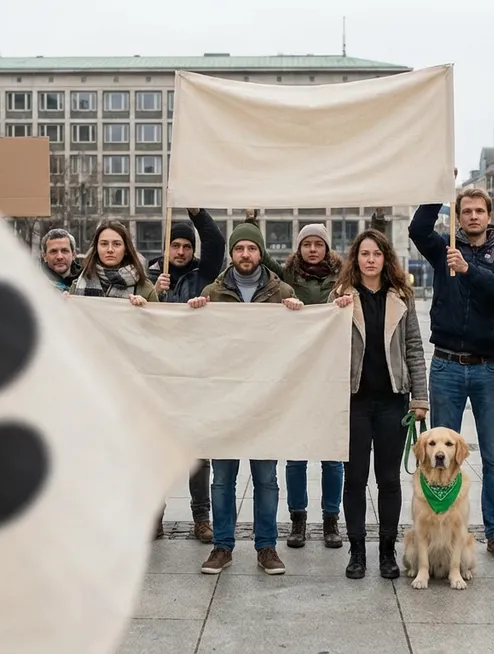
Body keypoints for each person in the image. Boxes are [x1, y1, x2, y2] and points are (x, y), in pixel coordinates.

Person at [408, 185, 494, 562]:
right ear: (458, 217)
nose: (472, 216)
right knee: (438, 455)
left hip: (489, 366)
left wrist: (469, 270)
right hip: (446, 365)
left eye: (479, 211)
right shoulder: (444, 248)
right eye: (466, 211)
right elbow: (416, 229)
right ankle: (435, 522)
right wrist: (437, 186)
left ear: (489, 216)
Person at [189, 223, 303, 576]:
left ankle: (266, 547)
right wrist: (195, 313)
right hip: (225, 400)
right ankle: (223, 546)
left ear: (260, 252)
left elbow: (297, 341)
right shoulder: (214, 291)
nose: (245, 255)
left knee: (266, 477)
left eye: (252, 249)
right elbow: (200, 344)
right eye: (239, 249)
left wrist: (298, 314)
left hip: (265, 401)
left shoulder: (280, 289)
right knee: (222, 478)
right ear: (232, 253)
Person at [329, 230, 428, 579]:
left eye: (377, 254)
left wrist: (420, 397)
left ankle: (386, 551)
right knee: (354, 479)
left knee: (389, 480)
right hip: (354, 401)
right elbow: (326, 344)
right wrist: (334, 312)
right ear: (355, 259)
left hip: (392, 402)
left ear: (386, 259)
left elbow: (414, 347)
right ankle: (357, 551)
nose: (370, 260)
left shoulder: (401, 297)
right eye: (364, 254)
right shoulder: (340, 296)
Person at [246, 212, 345, 549]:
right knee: (296, 452)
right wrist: (252, 221)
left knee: (332, 453)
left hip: (330, 372)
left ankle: (331, 519)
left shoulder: (343, 276)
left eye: (319, 244)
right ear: (299, 248)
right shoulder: (286, 275)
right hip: (297, 373)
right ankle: (298, 519)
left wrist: (376, 221)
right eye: (307, 244)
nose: (313, 249)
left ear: (327, 249)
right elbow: (261, 253)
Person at [145, 208, 226, 544]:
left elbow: (216, 242)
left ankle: (201, 517)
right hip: (158, 376)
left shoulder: (202, 275)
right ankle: (153, 516)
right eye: (175, 246)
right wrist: (154, 290)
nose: (180, 252)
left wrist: (196, 211)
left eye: (186, 246)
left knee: (197, 452)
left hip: (193, 374)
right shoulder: (148, 276)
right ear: (166, 249)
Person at [68, 220, 158, 304]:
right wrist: (65, 305)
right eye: (104, 244)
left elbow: (156, 320)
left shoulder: (145, 288)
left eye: (117, 244)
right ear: (96, 248)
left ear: (126, 249)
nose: (110, 250)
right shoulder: (77, 285)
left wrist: (144, 309)